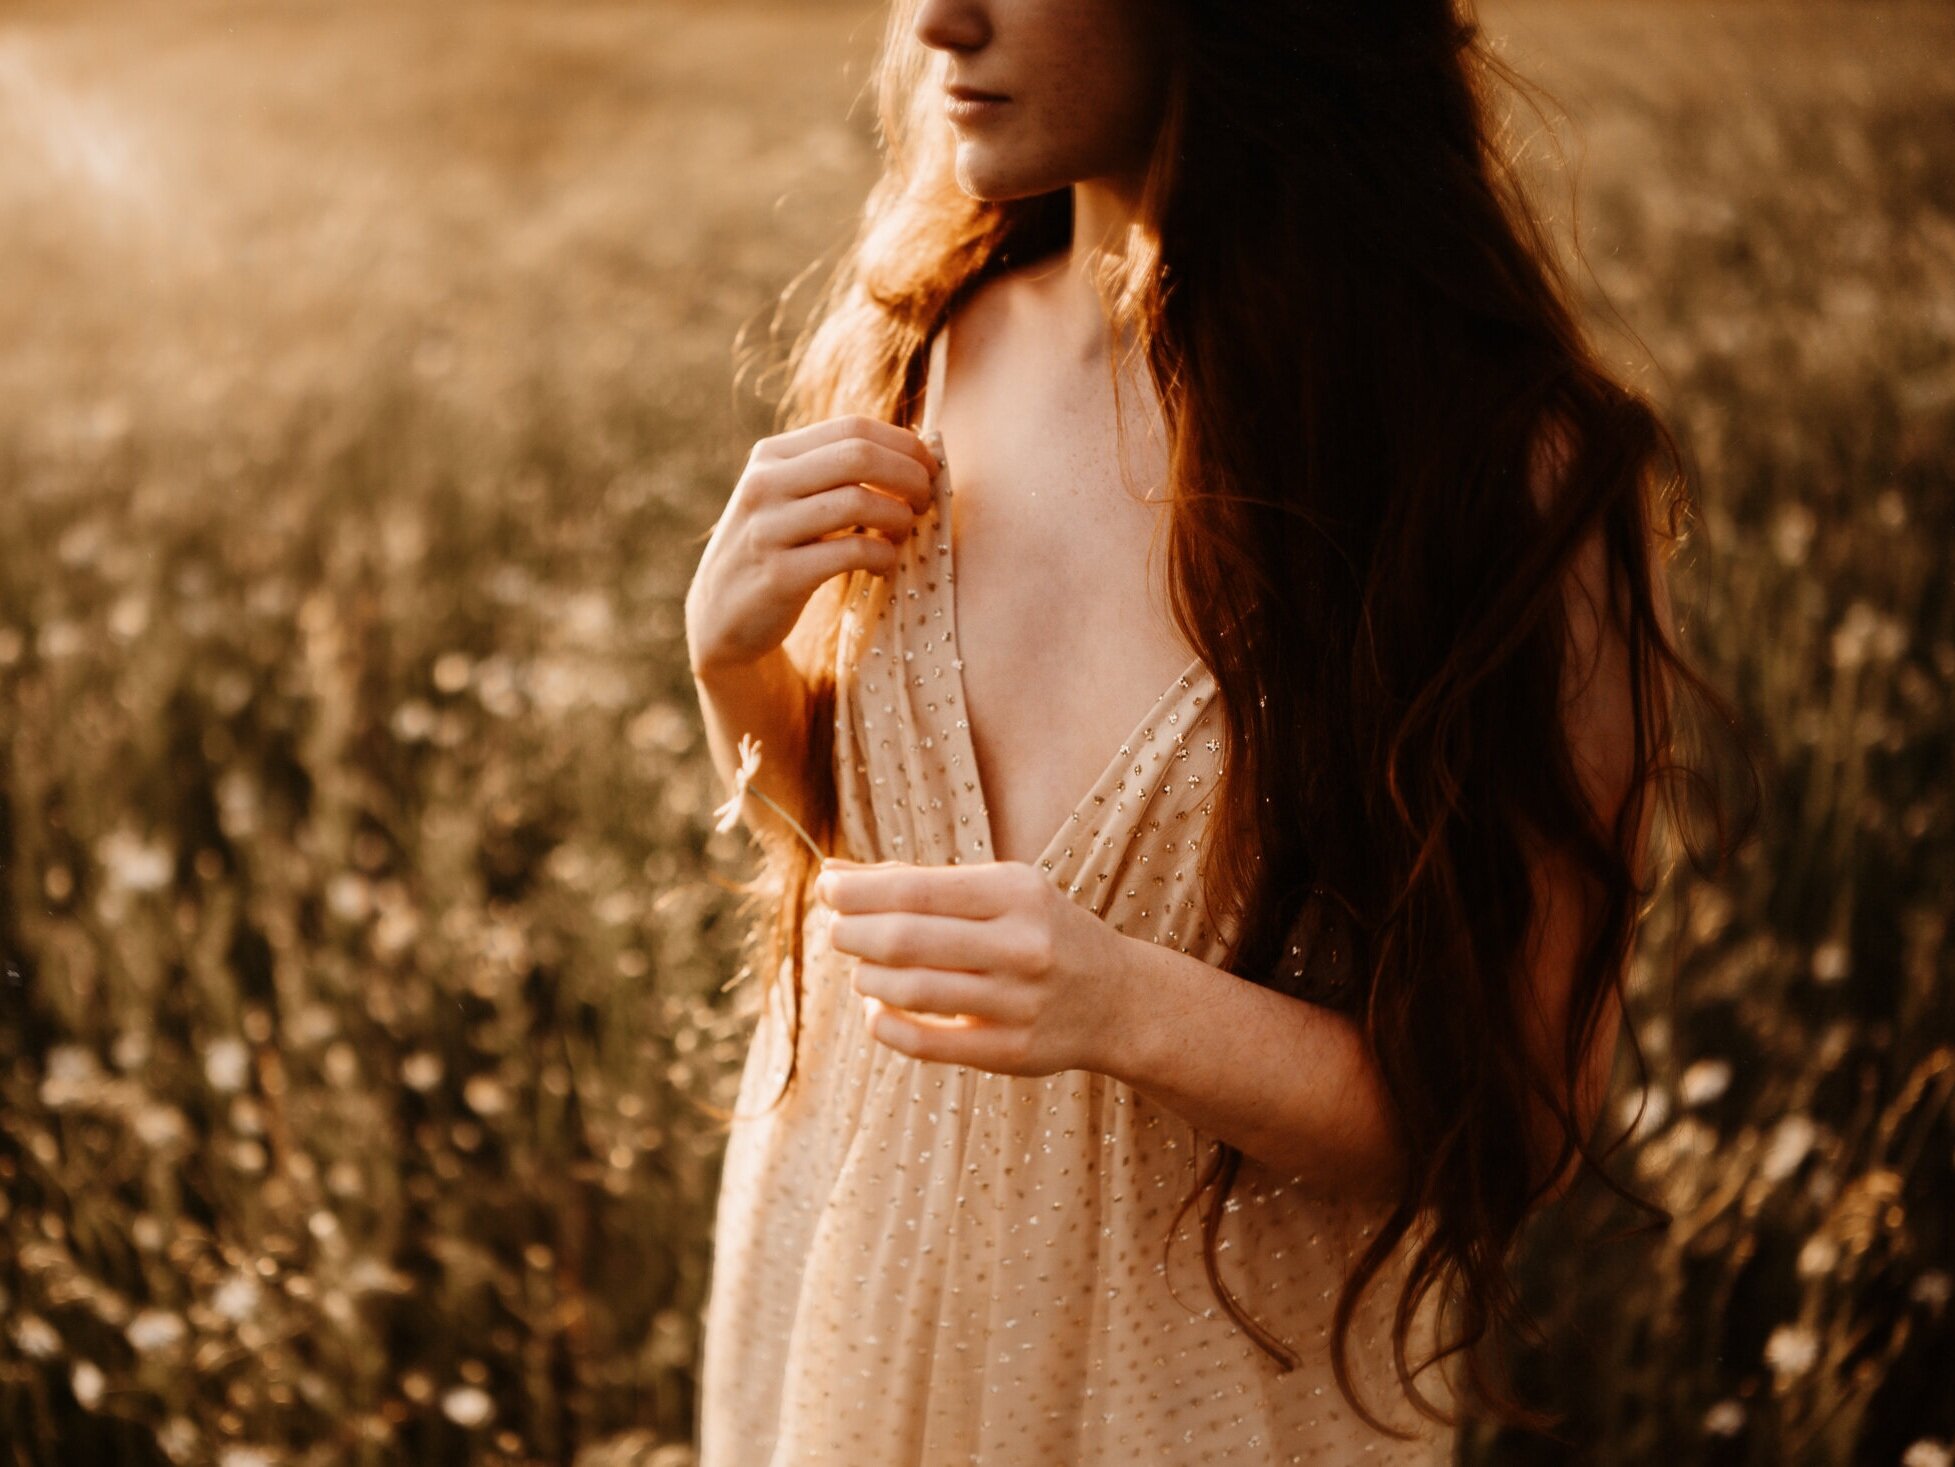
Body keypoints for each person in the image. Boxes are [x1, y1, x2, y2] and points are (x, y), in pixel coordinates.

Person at [682, 0, 1753, 1461]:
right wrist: (729, 664)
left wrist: (1128, 1006)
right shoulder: (918, 341)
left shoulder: (1491, 472)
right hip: (851, 1292)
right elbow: (863, 880)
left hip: (1202, 1391)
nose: (936, 18)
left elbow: (1520, 1116)